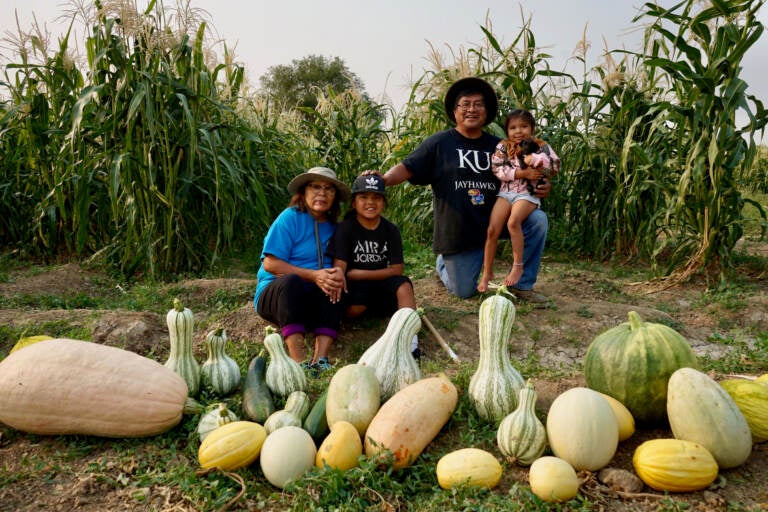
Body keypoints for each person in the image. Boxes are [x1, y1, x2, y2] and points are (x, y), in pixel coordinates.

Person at [374, 77, 553, 304]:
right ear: (455, 110)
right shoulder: (439, 143)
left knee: (537, 219)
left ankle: (522, 285)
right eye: (465, 104)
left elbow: (528, 170)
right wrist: (384, 179)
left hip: (497, 220)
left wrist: (542, 185)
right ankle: (443, 263)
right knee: (464, 291)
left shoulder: (502, 146)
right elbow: (408, 167)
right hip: (460, 230)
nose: (472, 109)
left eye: (478, 104)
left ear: (486, 112)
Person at [253, 166, 350, 372]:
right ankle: (298, 362)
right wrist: (314, 275)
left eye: (328, 189)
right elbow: (270, 264)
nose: (322, 193)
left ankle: (320, 359)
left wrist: (332, 275)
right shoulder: (290, 217)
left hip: (313, 297)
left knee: (333, 281)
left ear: (335, 196)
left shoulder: (335, 227)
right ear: (304, 192)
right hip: (279, 294)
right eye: (315, 187)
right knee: (292, 281)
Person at [328, 174, 421, 357]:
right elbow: (340, 268)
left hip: (378, 281)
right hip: (355, 287)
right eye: (364, 197)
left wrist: (360, 274)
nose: (370, 202)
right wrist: (348, 276)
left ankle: (412, 345)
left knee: (403, 285)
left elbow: (397, 270)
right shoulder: (346, 228)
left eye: (376, 198)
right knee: (356, 309)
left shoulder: (390, 230)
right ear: (354, 203)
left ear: (383, 203)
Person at [478, 109, 561, 293]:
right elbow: (497, 168)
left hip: (527, 194)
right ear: (507, 130)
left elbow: (555, 165)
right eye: (513, 127)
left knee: (513, 222)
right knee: (492, 230)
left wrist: (537, 159)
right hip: (506, 193)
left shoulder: (541, 146)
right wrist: (521, 173)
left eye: (524, 126)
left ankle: (518, 266)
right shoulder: (503, 146)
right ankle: (487, 273)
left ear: (532, 128)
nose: (518, 131)